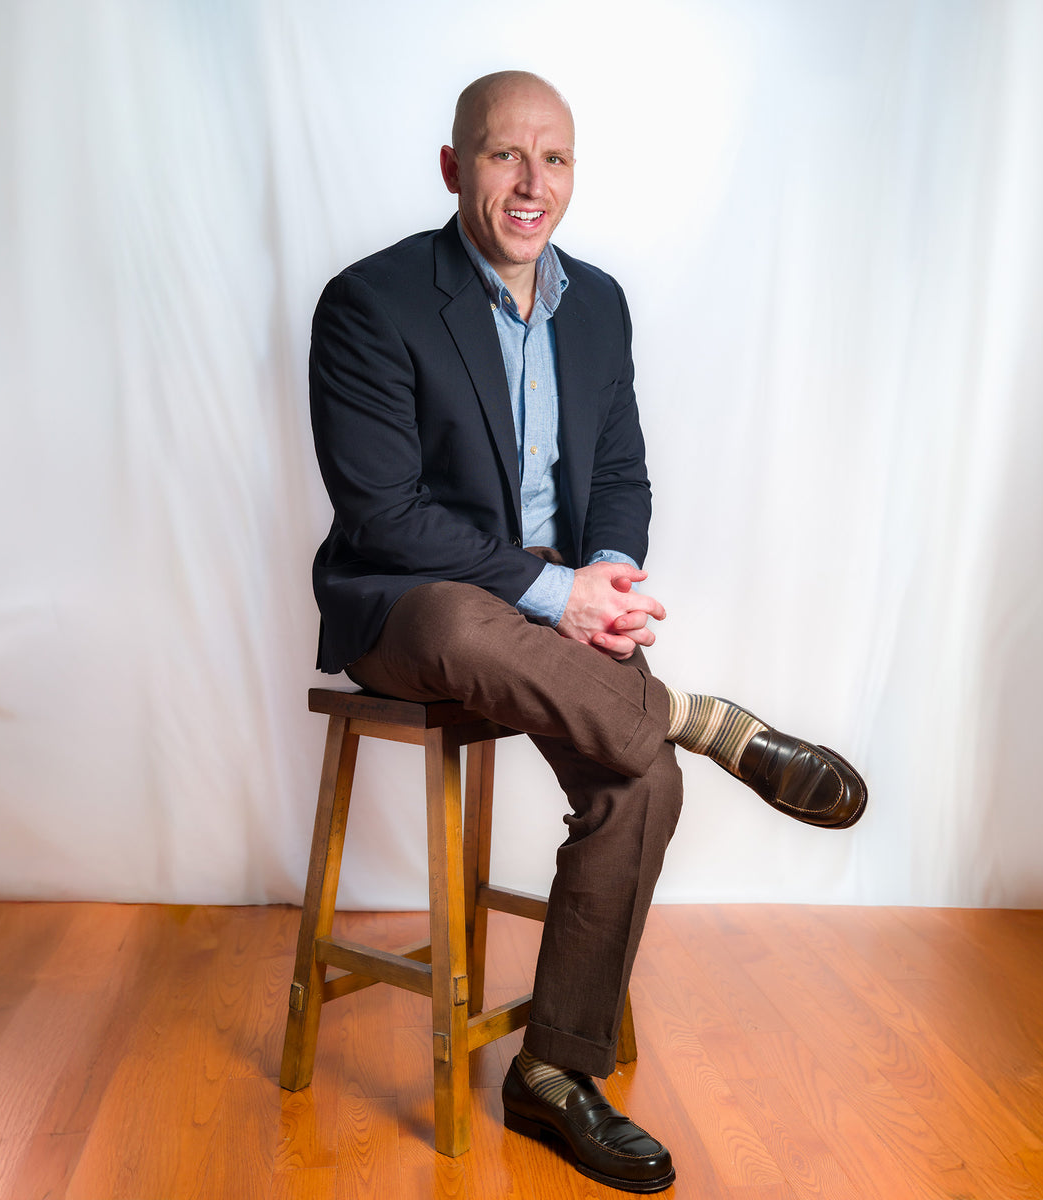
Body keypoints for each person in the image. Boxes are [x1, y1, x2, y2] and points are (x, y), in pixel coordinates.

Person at [308, 69, 866, 1194]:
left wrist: (603, 572)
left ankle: (554, 1074)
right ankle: (708, 719)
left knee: (642, 779)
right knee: (469, 627)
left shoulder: (598, 302)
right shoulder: (370, 302)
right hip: (410, 605)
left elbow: (617, 472)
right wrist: (552, 595)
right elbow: (384, 514)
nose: (531, 183)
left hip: (555, 611)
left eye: (553, 159)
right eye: (506, 156)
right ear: (454, 167)